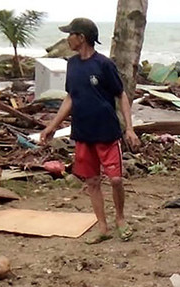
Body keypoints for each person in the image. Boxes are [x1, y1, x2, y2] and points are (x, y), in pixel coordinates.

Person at [40, 17, 140, 244]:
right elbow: (70, 98)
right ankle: (102, 226)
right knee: (92, 182)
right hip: (83, 133)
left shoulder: (104, 65)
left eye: (70, 34)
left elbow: (121, 94)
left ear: (81, 38)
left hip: (107, 132)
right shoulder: (72, 64)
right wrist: (52, 127)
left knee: (115, 180)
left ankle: (121, 220)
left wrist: (130, 129)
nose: (67, 38)